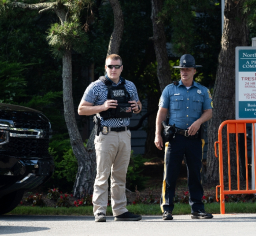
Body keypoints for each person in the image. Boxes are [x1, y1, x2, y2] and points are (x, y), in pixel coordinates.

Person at [78, 54, 142, 222]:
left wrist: (137, 107)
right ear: (105, 68)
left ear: (122, 68)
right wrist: (103, 106)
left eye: (116, 66)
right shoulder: (96, 86)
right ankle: (99, 211)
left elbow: (138, 105)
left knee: (120, 175)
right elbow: (81, 109)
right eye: (110, 66)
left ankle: (120, 211)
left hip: (125, 134)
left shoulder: (129, 86)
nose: (113, 69)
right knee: (102, 174)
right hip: (106, 134)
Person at [154, 54, 213, 220]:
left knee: (195, 173)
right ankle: (167, 209)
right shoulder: (170, 90)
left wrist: (198, 122)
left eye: (188, 69)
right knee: (170, 174)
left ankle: (197, 209)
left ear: (194, 71)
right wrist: (157, 134)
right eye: (182, 69)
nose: (184, 72)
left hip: (194, 139)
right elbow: (162, 113)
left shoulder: (202, 91)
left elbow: (209, 112)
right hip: (175, 138)